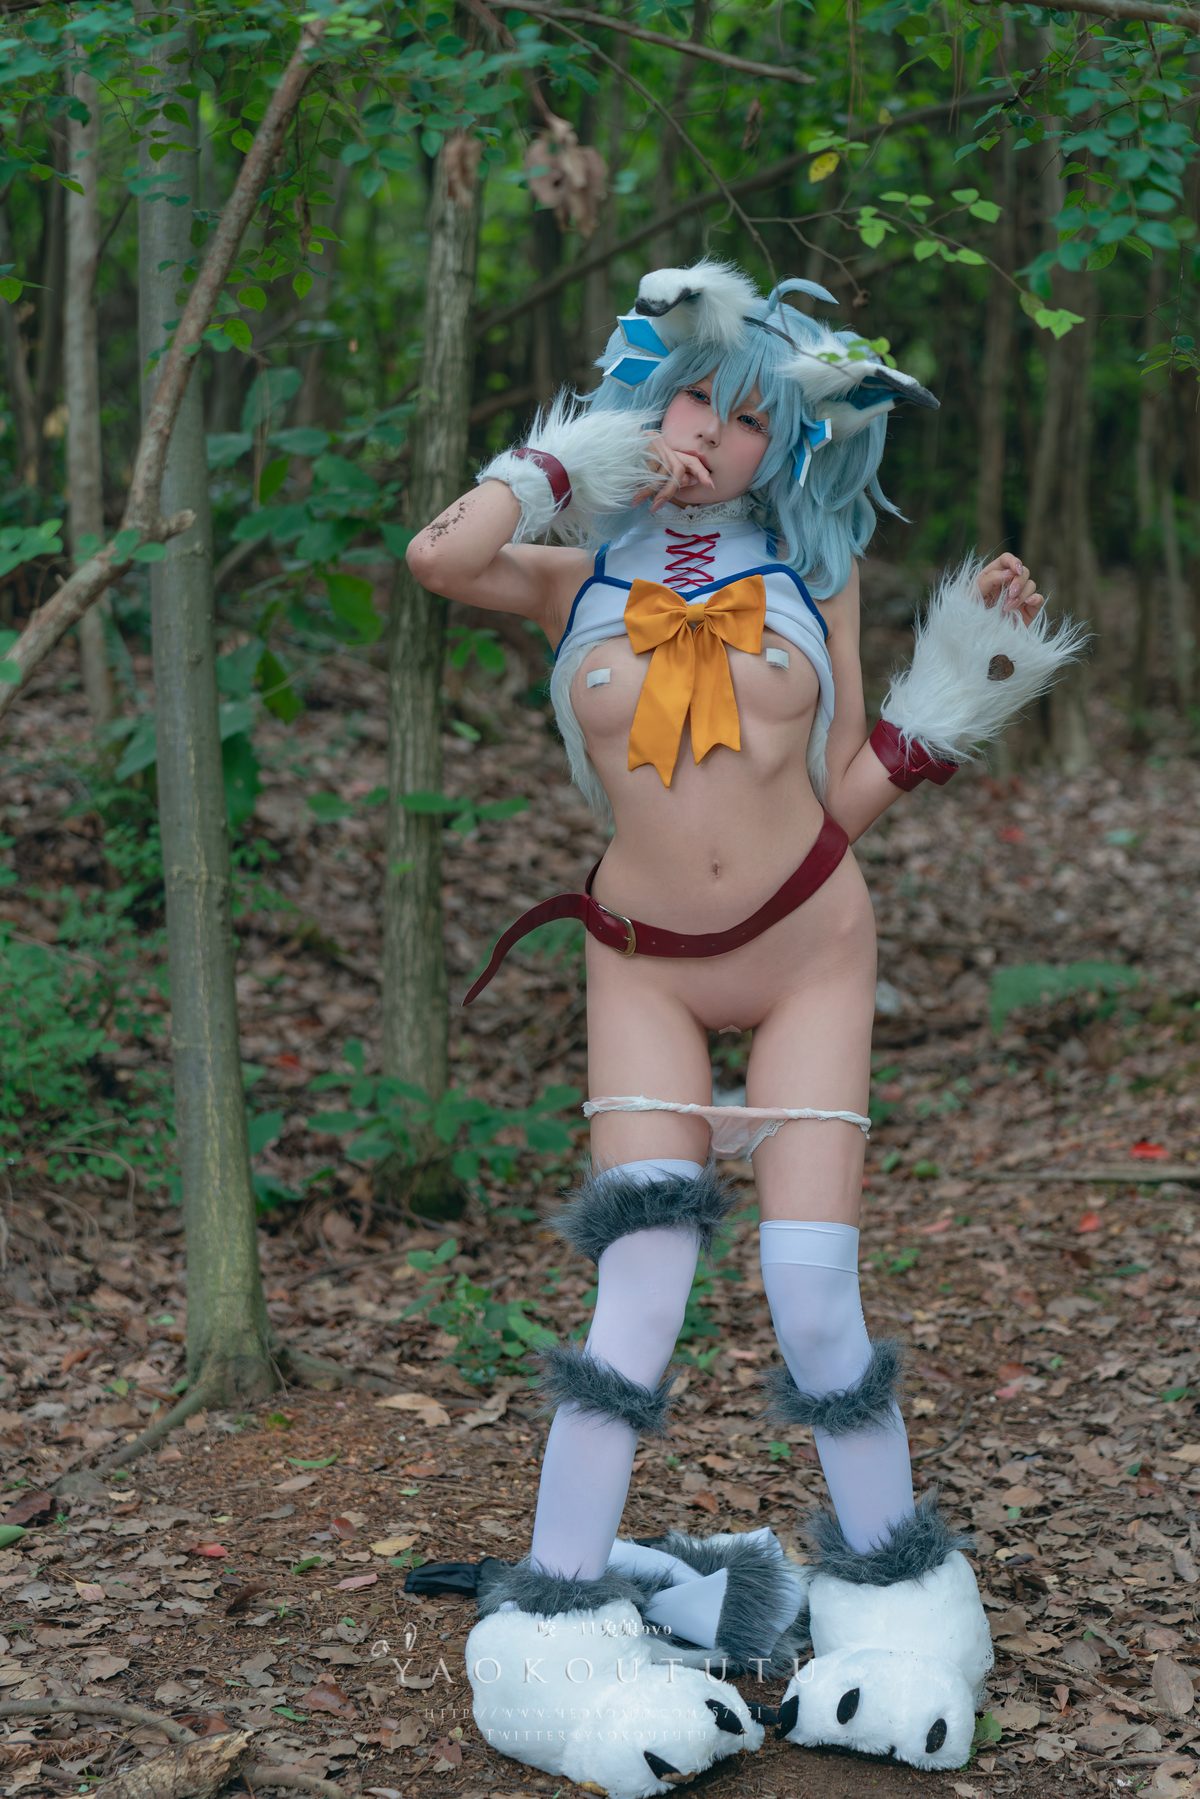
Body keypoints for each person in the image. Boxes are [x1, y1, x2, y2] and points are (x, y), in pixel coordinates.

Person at [403, 259, 1086, 1796]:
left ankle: (899, 1616)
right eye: (690, 400)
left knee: (813, 1294)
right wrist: (574, 460)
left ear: (794, 441)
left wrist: (963, 685)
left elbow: (840, 791)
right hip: (641, 965)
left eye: (749, 415)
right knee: (636, 1297)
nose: (711, 432)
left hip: (808, 955)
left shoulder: (813, 574)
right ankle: (557, 1630)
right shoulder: (573, 570)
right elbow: (439, 556)